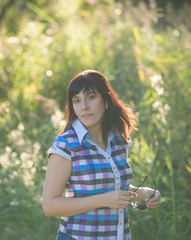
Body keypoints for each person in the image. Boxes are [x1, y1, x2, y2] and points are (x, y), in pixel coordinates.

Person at [42, 70, 161, 240]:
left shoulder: (118, 140)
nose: (83, 106)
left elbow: (111, 187)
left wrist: (142, 193)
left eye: (90, 97)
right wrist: (103, 200)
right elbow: (50, 206)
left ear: (106, 101)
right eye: (77, 100)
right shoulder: (66, 144)